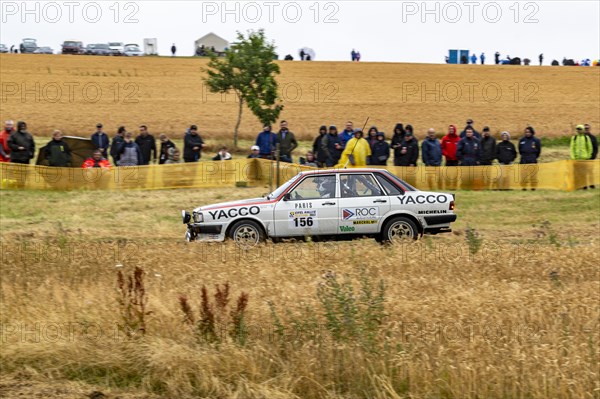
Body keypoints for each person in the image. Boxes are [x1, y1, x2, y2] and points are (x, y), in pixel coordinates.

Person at [518, 126, 541, 190]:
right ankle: (524, 187)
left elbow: (539, 151)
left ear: (532, 132)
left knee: (533, 174)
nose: (527, 133)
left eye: (528, 132)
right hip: (524, 159)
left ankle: (533, 187)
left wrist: (533, 157)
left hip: (532, 159)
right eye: (526, 132)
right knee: (523, 174)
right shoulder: (522, 140)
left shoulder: (536, 140)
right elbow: (519, 150)